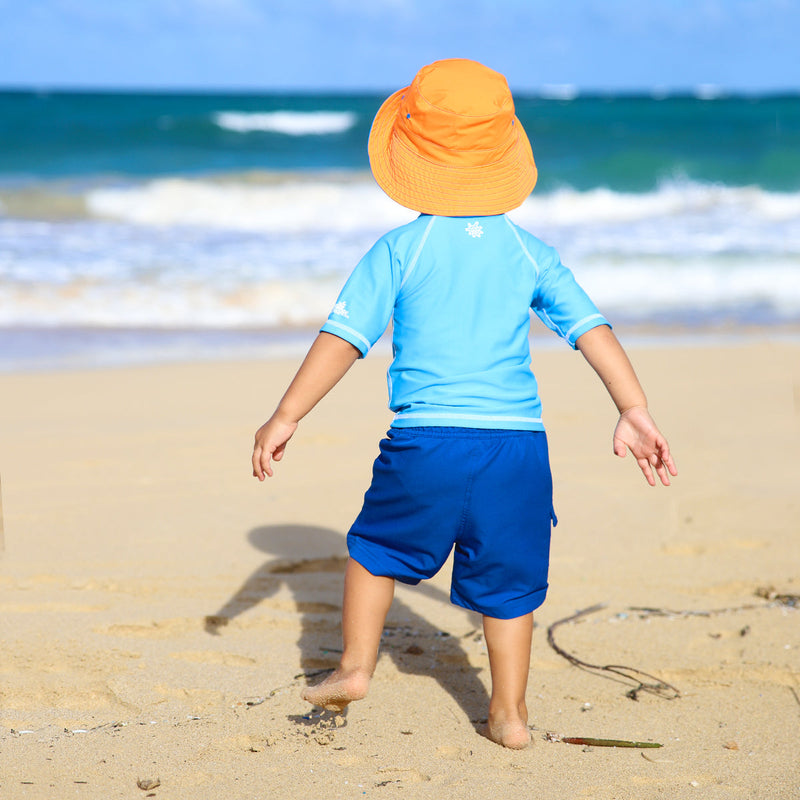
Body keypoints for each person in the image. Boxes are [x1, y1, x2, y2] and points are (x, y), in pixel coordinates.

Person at [251, 58, 677, 749]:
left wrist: (287, 415)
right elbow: (592, 330)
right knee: (510, 587)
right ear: (503, 152)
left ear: (412, 155)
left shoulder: (401, 249)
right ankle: (508, 714)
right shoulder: (531, 252)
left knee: (375, 551)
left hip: (428, 443)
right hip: (518, 449)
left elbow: (344, 338)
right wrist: (633, 408)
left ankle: (354, 669)